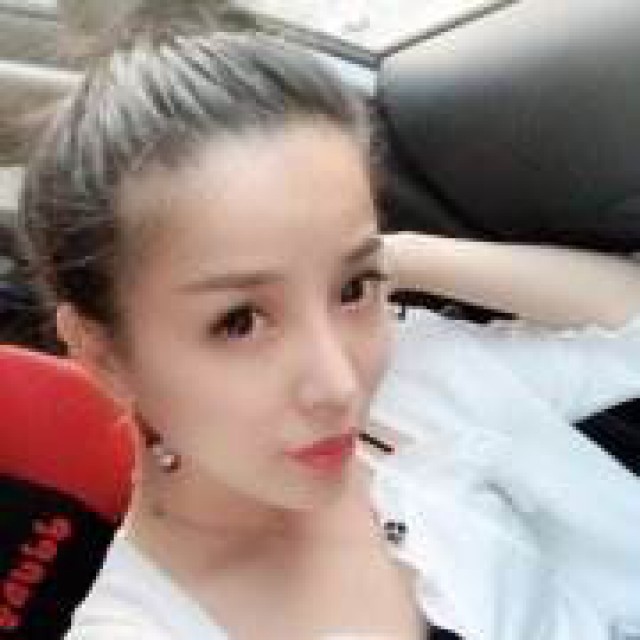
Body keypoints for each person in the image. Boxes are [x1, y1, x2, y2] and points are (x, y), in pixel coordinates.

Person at [16, 22, 640, 640]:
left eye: (351, 290)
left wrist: (399, 258)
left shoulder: (409, 380)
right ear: (103, 353)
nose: (341, 384)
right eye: (239, 322)